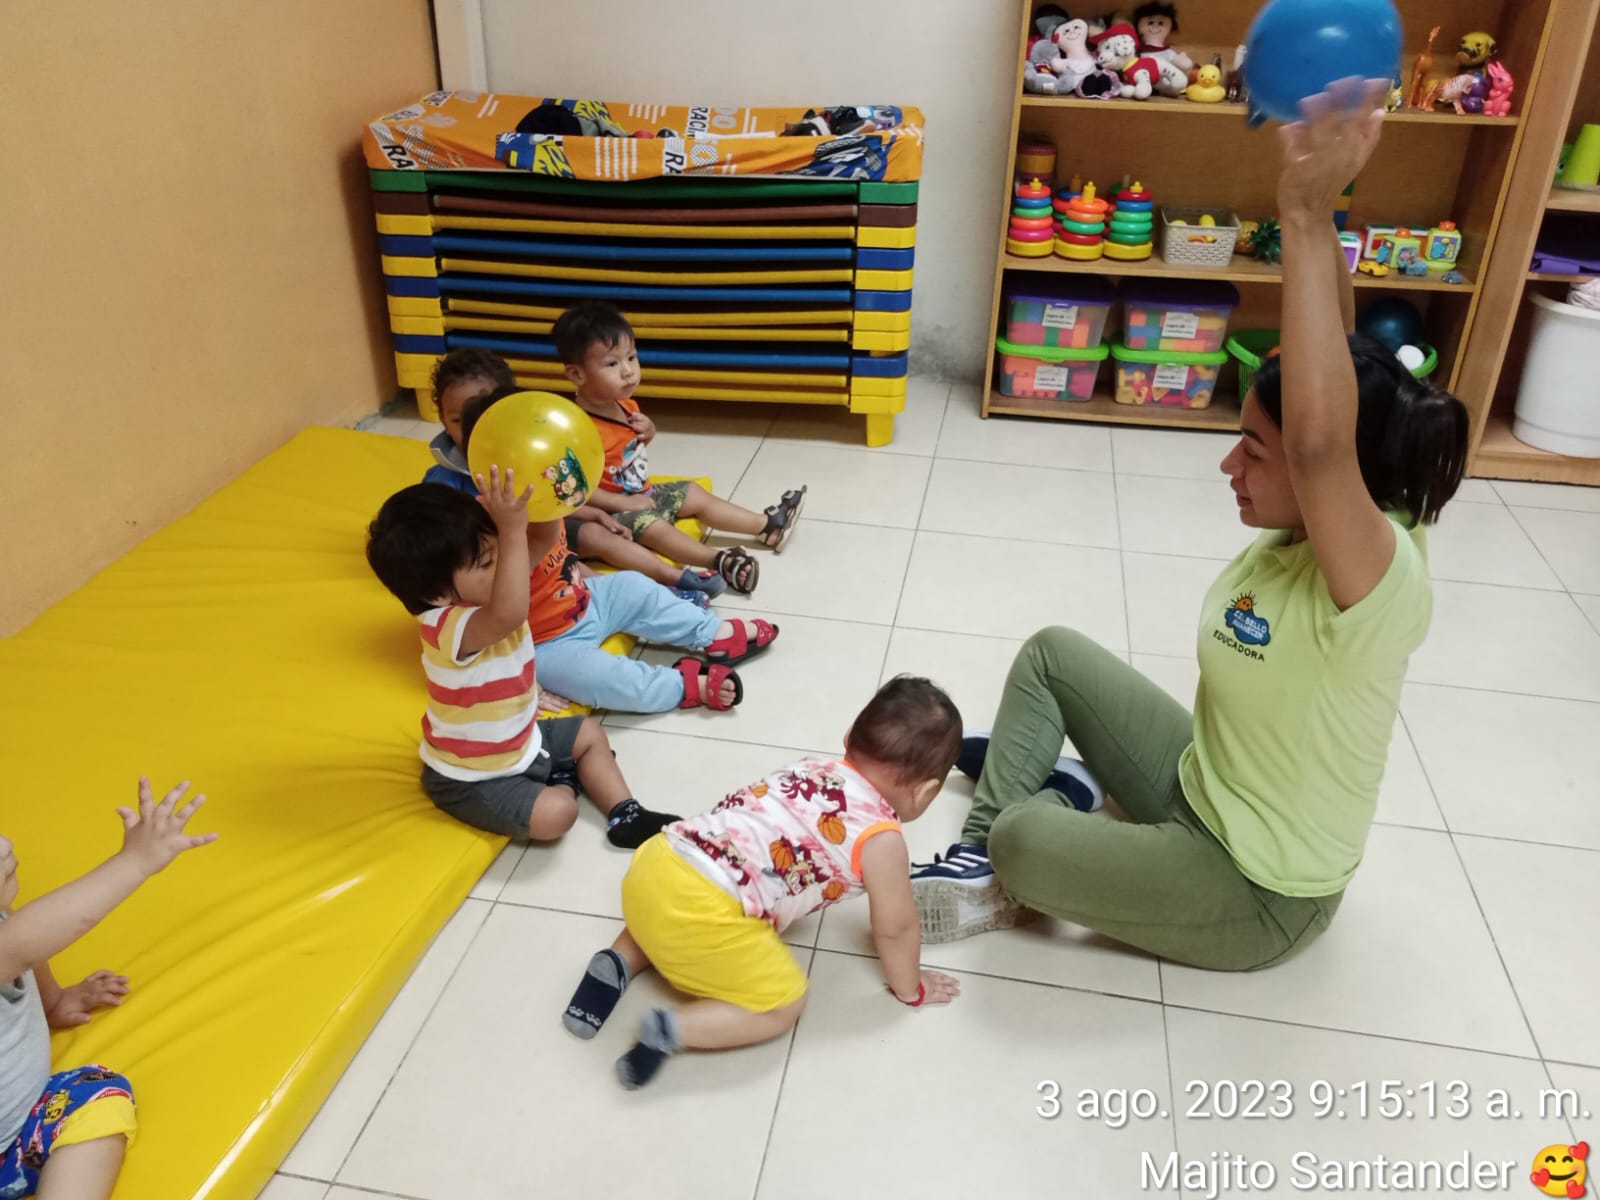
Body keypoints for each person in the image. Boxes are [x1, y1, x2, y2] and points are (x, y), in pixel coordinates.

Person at [910, 79, 1469, 971]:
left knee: (1026, 835)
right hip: (1199, 784)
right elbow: (1334, 370)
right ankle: (986, 855)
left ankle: (1033, 820)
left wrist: (1301, 213)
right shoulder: (1333, 505)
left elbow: (1322, 439)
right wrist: (1320, 204)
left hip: (1257, 889)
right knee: (1053, 655)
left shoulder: (1377, 574)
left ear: (1323, 472)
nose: (1228, 465)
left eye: (1254, 449)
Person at [561, 676, 965, 1089]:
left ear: (848, 736)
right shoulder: (882, 840)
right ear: (925, 792)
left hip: (659, 859)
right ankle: (673, 1029)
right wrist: (911, 987)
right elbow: (896, 929)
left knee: (668, 911)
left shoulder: (809, 767)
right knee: (785, 1003)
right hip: (707, 910)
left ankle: (615, 963)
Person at [366, 470, 679, 846]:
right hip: (474, 776)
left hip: (523, 739)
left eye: (499, 549)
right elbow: (510, 613)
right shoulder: (447, 626)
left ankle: (626, 812)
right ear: (437, 594)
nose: (506, 564)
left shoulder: (493, 586)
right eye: (487, 562)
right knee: (559, 814)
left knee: (589, 733)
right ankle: (564, 782)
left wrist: (541, 498)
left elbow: (543, 542)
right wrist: (512, 532)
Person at [460, 388, 782, 714]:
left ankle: (712, 634)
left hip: (586, 600)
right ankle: (683, 686)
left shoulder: (547, 496)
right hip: (545, 643)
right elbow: (497, 599)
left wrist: (595, 515)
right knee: (597, 678)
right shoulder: (475, 529)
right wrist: (514, 530)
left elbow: (564, 553)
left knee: (634, 585)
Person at [1, 778, 217, 1199]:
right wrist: (135, 862)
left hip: (20, 1139)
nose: (6, 845)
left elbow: (27, 946)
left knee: (98, 1092)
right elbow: (23, 944)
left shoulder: (11, 928)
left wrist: (56, 1002)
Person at [421, 348, 725, 607]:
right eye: (458, 420)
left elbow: (555, 497)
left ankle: (675, 577)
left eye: (487, 415)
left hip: (548, 530)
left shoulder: (530, 451)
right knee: (567, 567)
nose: (474, 429)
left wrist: (595, 513)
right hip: (508, 557)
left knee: (597, 535)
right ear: (444, 421)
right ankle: (651, 599)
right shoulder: (443, 483)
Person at [553, 302, 807, 596]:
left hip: (643, 492)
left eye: (632, 358)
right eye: (612, 364)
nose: (628, 371)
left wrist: (648, 431)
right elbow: (574, 490)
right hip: (613, 510)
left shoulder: (623, 403)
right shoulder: (577, 429)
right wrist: (620, 504)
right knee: (655, 527)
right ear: (577, 375)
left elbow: (627, 450)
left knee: (693, 492)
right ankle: (718, 561)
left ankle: (767, 525)